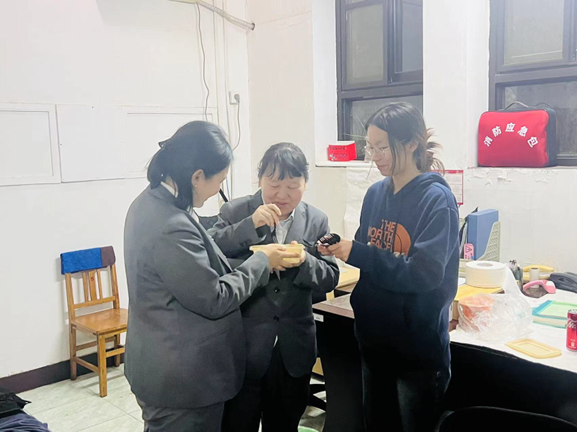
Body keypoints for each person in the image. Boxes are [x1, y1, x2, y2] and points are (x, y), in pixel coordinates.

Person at [123, 121, 297, 432]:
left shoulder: (151, 202)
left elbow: (203, 247)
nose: (219, 189)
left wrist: (250, 228)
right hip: (182, 379)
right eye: (220, 181)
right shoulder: (171, 225)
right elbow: (214, 297)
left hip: (161, 359)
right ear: (197, 177)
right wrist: (262, 261)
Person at [320, 102, 460, 432]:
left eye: (382, 147)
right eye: (370, 148)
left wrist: (359, 252)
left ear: (411, 143)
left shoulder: (436, 200)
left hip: (417, 354)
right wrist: (341, 247)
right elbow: (367, 250)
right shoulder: (375, 194)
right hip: (374, 344)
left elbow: (424, 273)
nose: (375, 156)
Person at [209, 142, 340, 432]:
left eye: (292, 186)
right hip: (243, 349)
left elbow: (331, 277)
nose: (282, 195)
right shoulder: (235, 211)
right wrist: (250, 226)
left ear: (305, 184)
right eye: (274, 184)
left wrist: (304, 261)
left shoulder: (316, 219)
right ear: (260, 180)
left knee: (284, 426)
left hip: (294, 350)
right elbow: (211, 253)